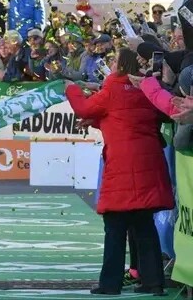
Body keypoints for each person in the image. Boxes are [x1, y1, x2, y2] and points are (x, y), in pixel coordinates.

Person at [65, 48, 174, 296]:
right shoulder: (147, 86)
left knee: (114, 228)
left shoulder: (112, 88)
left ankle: (110, 284)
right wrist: (98, 120)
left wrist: (71, 89)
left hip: (122, 166)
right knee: (144, 226)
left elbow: (84, 108)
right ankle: (154, 282)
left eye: (114, 61)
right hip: (149, 163)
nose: (111, 64)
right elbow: (130, 117)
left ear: (121, 65)